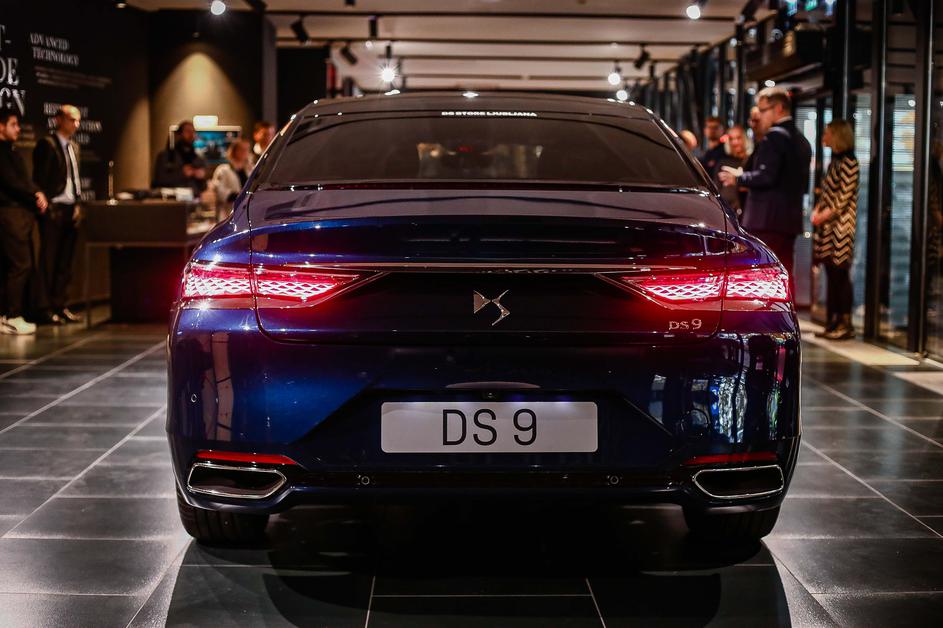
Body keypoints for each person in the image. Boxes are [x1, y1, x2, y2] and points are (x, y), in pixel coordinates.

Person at [719, 87, 812, 290]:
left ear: (778, 108)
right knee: (785, 273)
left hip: (766, 220)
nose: (759, 116)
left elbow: (766, 176)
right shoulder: (801, 139)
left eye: (762, 110)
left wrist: (738, 177)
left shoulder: (774, 137)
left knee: (762, 276)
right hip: (789, 221)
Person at [32, 104, 84, 324]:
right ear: (59, 119)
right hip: (54, 207)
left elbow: (75, 178)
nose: (76, 124)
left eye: (78, 120)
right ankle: (44, 308)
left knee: (65, 261)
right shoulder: (47, 144)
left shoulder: (74, 147)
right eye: (72, 119)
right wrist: (46, 200)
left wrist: (77, 204)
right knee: (49, 260)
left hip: (70, 207)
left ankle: (60, 304)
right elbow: (39, 178)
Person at [0, 111, 48, 335]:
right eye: (13, 124)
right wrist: (35, 193)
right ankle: (12, 315)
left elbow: (22, 180)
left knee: (16, 265)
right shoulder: (2, 154)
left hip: (18, 214)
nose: (18, 129)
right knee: (20, 265)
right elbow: (12, 181)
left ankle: (8, 314)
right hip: (11, 215)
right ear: (1, 126)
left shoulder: (11, 151)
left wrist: (35, 192)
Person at [812, 120, 860, 340]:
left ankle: (845, 322)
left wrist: (822, 214)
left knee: (840, 273)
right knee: (831, 273)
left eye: (827, 133)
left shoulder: (849, 162)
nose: (824, 137)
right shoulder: (836, 160)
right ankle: (833, 321)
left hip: (840, 228)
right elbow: (827, 193)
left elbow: (843, 198)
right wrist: (818, 211)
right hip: (828, 226)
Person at [152, 120, 207, 194]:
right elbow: (158, 181)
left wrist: (201, 178)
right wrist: (182, 174)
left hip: (193, 199)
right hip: (171, 199)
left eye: (193, 132)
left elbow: (203, 187)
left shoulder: (199, 159)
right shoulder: (165, 156)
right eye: (188, 131)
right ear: (179, 134)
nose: (191, 135)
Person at [712, 124, 751, 216]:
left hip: (746, 210)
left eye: (738, 138)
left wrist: (738, 180)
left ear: (745, 139)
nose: (735, 142)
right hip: (725, 212)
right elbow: (716, 189)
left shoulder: (751, 161)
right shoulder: (723, 162)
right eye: (731, 139)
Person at [210, 139, 251, 214]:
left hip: (247, 211)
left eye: (247, 149)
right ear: (234, 151)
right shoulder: (223, 169)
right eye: (241, 149)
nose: (244, 152)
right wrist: (240, 196)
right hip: (228, 211)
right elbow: (219, 191)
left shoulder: (250, 169)